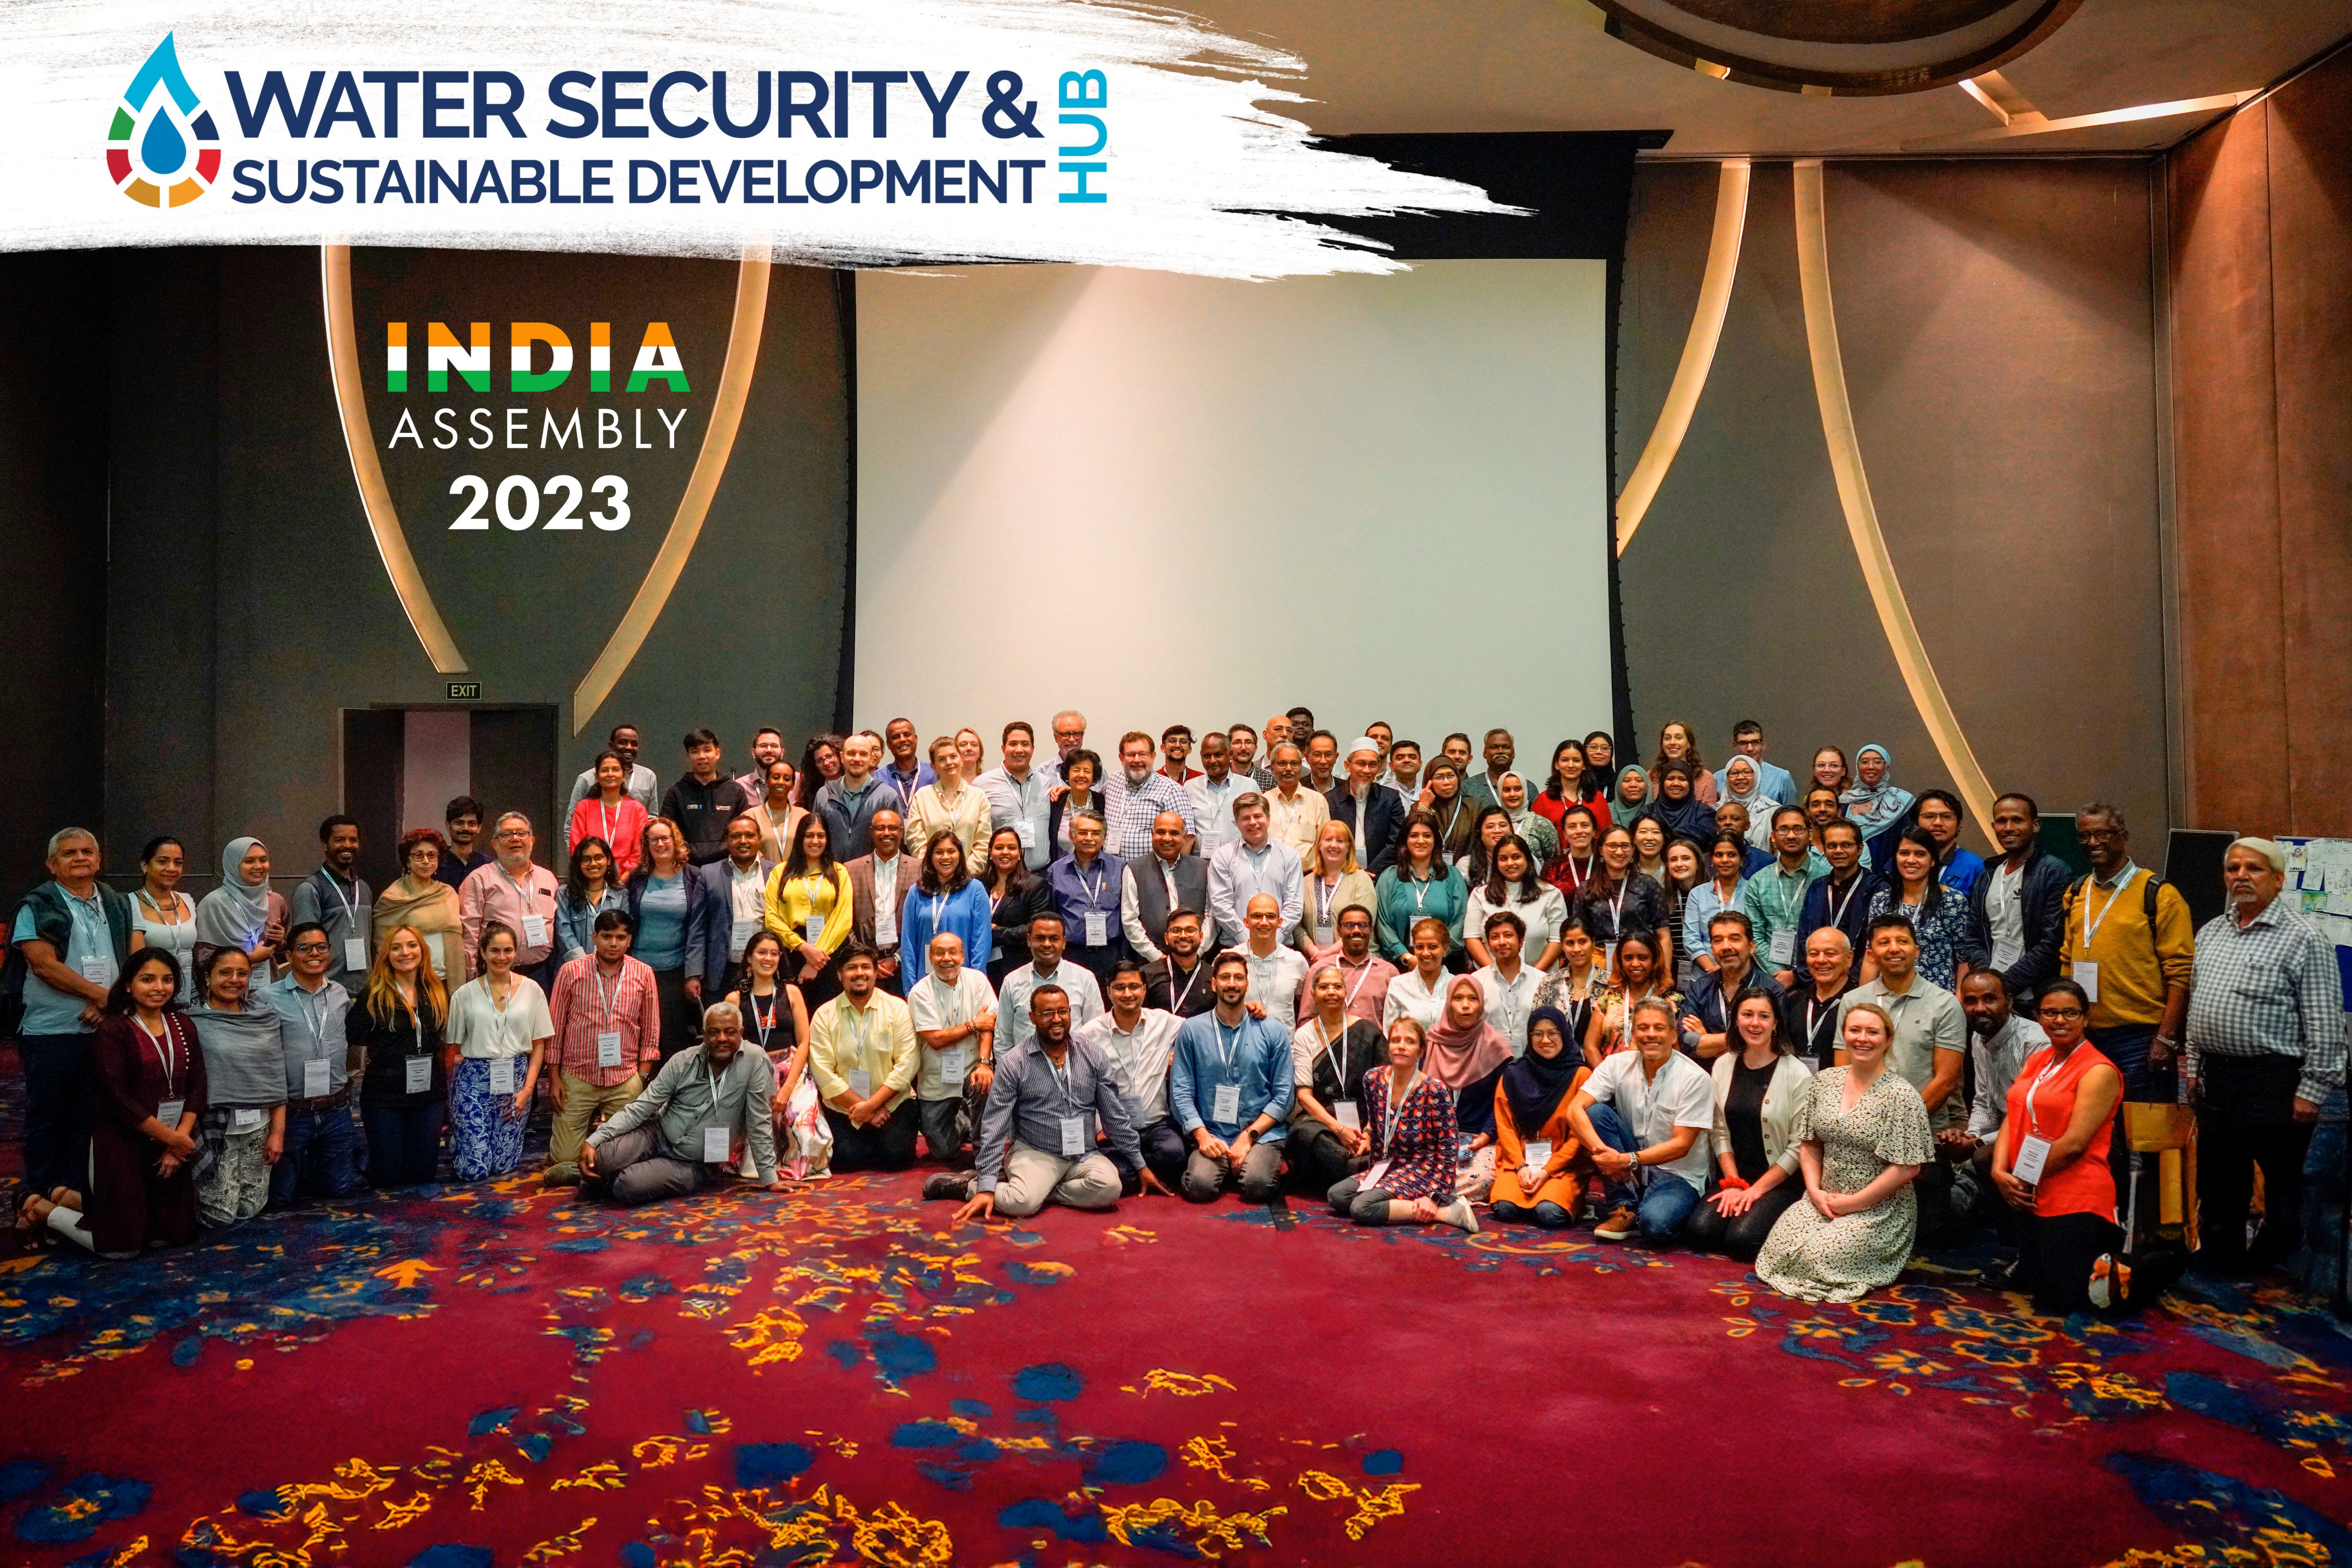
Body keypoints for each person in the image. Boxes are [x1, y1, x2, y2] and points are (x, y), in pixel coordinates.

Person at [2184, 837, 2347, 1275]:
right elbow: (2199, 1006)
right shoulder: (2211, 932)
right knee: (2219, 1179)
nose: (2241, 876)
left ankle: (2277, 1263)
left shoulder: (2305, 938)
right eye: (2233, 868)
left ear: (2278, 879)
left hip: (2273, 1079)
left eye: (2253, 868)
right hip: (2218, 1078)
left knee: (2282, 1184)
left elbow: (2325, 1023)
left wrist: (2312, 1091)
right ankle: (2222, 1260)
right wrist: (2194, 1067)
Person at [25, 951, 203, 1256]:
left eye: (167, 980)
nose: (159, 987)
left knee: (174, 1235)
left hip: (172, 1140)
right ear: (129, 986)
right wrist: (174, 1140)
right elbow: (118, 1100)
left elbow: (198, 1086)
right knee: (121, 1248)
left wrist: (179, 1142)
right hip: (122, 1140)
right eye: (147, 979)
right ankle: (42, 1209)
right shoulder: (114, 1029)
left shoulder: (184, 1025)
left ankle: (68, 1196)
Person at [1755, 1000, 1934, 1300]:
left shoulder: (1902, 1096)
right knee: (1776, 1250)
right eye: (1855, 1030)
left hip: (1877, 1209)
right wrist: (1814, 1191)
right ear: (1844, 1034)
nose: (1862, 1039)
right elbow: (1809, 1143)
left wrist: (1853, 1203)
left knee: (1816, 1257)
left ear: (1888, 1039)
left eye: (1872, 1032)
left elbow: (1907, 1168)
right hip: (1824, 1198)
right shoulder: (1825, 1081)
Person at [11, 827, 140, 1215]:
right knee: (48, 1118)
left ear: (99, 860)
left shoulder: (118, 902)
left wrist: (109, 1003)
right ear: (52, 865)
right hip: (52, 1031)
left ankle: (72, 1199)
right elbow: (43, 965)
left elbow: (134, 962)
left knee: (90, 1119)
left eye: (87, 851)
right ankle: (38, 1200)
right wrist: (103, 996)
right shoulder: (36, 905)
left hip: (105, 1028)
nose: (80, 858)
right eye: (70, 853)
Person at [1989, 979, 2137, 1311]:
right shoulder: (2038, 1060)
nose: (2060, 1020)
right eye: (2050, 1013)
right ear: (2037, 1016)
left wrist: (2023, 1178)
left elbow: (2074, 1144)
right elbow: (2013, 1113)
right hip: (2031, 1187)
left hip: (2075, 1191)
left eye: (2070, 1013)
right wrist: (1999, 1171)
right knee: (2040, 1291)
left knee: (2068, 1303)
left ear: (2086, 1018)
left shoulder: (2099, 1071)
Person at [941, 983, 1142, 1222]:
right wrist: (985, 1186)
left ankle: (1040, 1191)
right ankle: (970, 1186)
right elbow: (994, 1126)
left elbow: (1114, 1116)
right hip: (1036, 1152)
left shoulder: (1092, 1054)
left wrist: (1140, 1164)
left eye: (1063, 1011)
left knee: (1110, 1188)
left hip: (1083, 1154)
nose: (1056, 1019)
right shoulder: (1015, 1062)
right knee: (1023, 1203)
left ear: (1070, 1013)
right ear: (1033, 1018)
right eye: (1047, 1013)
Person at [2057, 802, 2196, 1120]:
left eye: (2103, 834)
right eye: (2085, 836)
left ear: (2123, 836)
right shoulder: (2076, 892)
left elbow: (2181, 973)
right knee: (2096, 1130)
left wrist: (2166, 1038)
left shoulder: (2158, 894)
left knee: (2146, 1134)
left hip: (2140, 1037)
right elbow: (2067, 960)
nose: (2093, 843)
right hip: (2087, 1034)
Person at [581, 1001, 788, 1203]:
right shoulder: (683, 1061)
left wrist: (770, 1179)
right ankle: (610, 1175)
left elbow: (759, 1122)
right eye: (714, 1032)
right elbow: (642, 1106)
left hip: (693, 1163)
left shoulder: (755, 1061)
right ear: (704, 1034)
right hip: (657, 1134)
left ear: (741, 1033)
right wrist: (595, 1139)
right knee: (600, 1159)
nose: (722, 1038)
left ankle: (610, 1180)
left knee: (628, 1184)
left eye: (730, 1032)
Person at [1842, 913, 1967, 1241]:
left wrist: (1896, 1129)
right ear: (1872, 954)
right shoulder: (1854, 1001)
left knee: (1931, 1237)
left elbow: (1946, 1081)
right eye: (1884, 943)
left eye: (1903, 941)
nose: (1894, 949)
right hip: (1862, 1133)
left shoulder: (1945, 1004)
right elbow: (1842, 1073)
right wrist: (1866, 1127)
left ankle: (1965, 1190)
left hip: (1923, 1136)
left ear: (1917, 950)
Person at [1567, 996, 1714, 1244]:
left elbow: (1681, 1145)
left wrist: (1625, 1160)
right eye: (1643, 1028)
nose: (1651, 1035)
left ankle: (1658, 1209)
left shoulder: (1695, 1079)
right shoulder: (1617, 1064)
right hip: (1630, 1166)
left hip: (1677, 1174)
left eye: (1659, 1028)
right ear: (1633, 1034)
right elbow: (1574, 1110)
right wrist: (1604, 1155)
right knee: (1596, 1113)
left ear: (1673, 1034)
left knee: (1655, 1227)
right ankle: (1623, 1206)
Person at [1684, 989, 1816, 1259]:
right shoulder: (1723, 1064)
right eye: (1747, 1015)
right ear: (1736, 1020)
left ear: (1775, 1023)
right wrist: (1733, 1184)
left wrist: (1755, 1191)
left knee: (1741, 1241)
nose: (1755, 1023)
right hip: (1737, 1175)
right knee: (1700, 1233)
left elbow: (1797, 1147)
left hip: (1779, 1180)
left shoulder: (1797, 1073)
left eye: (1764, 1016)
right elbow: (1719, 1132)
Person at [1326, 1017, 1480, 1232]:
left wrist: (1434, 1196)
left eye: (1410, 1041)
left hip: (1422, 1170)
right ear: (1388, 1046)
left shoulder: (1435, 1090)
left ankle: (1446, 1212)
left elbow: (1448, 1149)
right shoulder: (1373, 1080)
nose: (1401, 1046)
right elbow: (1377, 1127)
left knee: (1361, 1208)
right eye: (1396, 1040)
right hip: (1386, 1167)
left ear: (1420, 1051)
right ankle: (1402, 1203)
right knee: (1337, 1195)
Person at [542, 910, 661, 1184]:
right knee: (563, 1159)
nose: (613, 943)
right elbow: (555, 1029)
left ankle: (600, 1162)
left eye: (620, 937)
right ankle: (601, 1165)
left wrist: (640, 1078)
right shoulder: (571, 971)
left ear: (629, 940)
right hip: (578, 1076)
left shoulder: (644, 974)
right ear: (594, 937)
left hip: (624, 1078)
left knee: (633, 1149)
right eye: (607, 936)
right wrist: (555, 1079)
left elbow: (651, 1031)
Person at [1171, 951, 1294, 1204]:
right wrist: (1202, 1137)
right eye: (1225, 977)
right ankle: (1228, 1166)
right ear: (1213, 983)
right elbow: (1181, 1091)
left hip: (1260, 1134)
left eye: (1239, 978)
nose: (1232, 983)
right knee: (1198, 1187)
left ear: (1247, 984)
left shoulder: (1272, 1030)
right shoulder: (1192, 1030)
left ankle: (1245, 1165)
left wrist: (1248, 1137)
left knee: (1258, 1185)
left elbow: (1284, 1096)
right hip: (1212, 1132)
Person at [443, 920, 552, 1182]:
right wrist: (448, 1095)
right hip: (474, 1081)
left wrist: (528, 1090)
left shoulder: (533, 990)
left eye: (508, 950)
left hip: (515, 1081)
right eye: (494, 950)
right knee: (475, 1170)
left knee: (503, 1165)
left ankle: (472, 1142)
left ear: (515, 952)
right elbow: (451, 1048)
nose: (501, 957)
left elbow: (539, 1044)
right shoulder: (464, 995)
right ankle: (463, 1140)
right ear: (482, 952)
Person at [187, 945, 287, 1229]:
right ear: (207, 977)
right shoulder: (193, 1022)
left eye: (242, 973)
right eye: (225, 972)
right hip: (218, 1129)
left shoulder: (264, 1018)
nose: (234, 980)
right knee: (220, 1215)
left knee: (251, 1207)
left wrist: (278, 1133)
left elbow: (277, 1077)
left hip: (260, 1126)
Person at [264, 921, 359, 1204]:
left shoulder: (340, 994)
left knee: (339, 1190)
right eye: (304, 948)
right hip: (292, 1112)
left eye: (321, 947)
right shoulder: (267, 998)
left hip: (335, 1108)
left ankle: (316, 1164)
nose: (314, 953)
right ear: (289, 955)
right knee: (280, 1197)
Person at [349, 926, 450, 1187]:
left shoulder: (436, 990)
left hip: (428, 1093)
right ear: (387, 955)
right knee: (388, 1178)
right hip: (385, 1095)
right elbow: (352, 1037)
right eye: (396, 948)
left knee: (422, 1175)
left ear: (422, 951)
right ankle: (366, 1158)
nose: (405, 952)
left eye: (412, 945)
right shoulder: (373, 994)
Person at [1074, 959, 1186, 1195]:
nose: (1128, 994)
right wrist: (1097, 1127)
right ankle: (1143, 1171)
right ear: (1108, 991)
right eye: (1120, 987)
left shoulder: (1164, 1022)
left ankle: (1138, 1169)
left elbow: (1204, 1026)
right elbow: (1080, 1088)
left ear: (1144, 990)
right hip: (1114, 1128)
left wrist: (1247, 1008)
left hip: (1156, 1125)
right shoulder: (1089, 1034)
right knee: (1121, 1173)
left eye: (1134, 987)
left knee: (1174, 1155)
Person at [808, 944, 921, 1170]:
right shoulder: (824, 1014)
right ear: (840, 975)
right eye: (852, 968)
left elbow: (907, 1064)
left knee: (896, 1158)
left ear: (876, 972)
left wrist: (872, 1105)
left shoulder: (897, 1008)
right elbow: (823, 1073)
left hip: (892, 1104)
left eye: (865, 967)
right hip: (845, 1107)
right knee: (845, 1160)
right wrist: (865, 1110)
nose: (859, 973)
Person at [1950, 969, 2050, 1217]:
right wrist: (1972, 1136)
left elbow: (2034, 1116)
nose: (1980, 1008)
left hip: (2042, 1132)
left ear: (2009, 1001)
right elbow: (1985, 1101)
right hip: (2007, 1131)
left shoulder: (2035, 1042)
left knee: (1984, 1156)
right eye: (1970, 1001)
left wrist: (1978, 1143)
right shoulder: (1979, 1037)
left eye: (1989, 999)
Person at [1487, 1007, 1592, 1228]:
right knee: (1504, 1208)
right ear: (1529, 1036)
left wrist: (1547, 1171)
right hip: (1519, 1163)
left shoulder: (1581, 1076)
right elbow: (1505, 1127)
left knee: (1549, 1213)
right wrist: (1520, 1166)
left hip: (1562, 1167)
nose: (1545, 1040)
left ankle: (1558, 1200)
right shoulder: (1513, 1074)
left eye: (1553, 1033)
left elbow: (1579, 1138)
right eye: (1538, 1034)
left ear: (1564, 1034)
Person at [734, 928, 825, 1179]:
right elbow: (730, 1050)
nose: (768, 958)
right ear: (749, 958)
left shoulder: (791, 993)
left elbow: (804, 1042)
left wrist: (786, 1090)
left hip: (790, 1069)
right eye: (762, 952)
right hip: (751, 1073)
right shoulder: (734, 999)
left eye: (774, 954)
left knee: (804, 1132)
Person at [1963, 792, 2071, 1003]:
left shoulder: (2054, 872)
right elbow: (1973, 938)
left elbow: (2053, 943)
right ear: (1994, 826)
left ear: (2035, 825)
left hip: (2037, 996)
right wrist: (1989, 981)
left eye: (2017, 820)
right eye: (2002, 821)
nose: (2008, 827)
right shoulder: (1987, 875)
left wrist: (2004, 985)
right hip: (1992, 997)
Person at [1287, 963, 1384, 1191]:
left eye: (1337, 987)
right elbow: (1304, 1096)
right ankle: (1360, 1171)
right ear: (1313, 993)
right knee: (1303, 1134)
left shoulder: (1368, 1031)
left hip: (1367, 1119)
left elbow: (1385, 1090)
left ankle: (1343, 1172)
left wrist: (1369, 1131)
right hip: (1325, 1121)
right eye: (1324, 987)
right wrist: (1339, 1130)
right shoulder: (1304, 1035)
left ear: (1345, 992)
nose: (1331, 992)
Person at [907, 930, 998, 1166]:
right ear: (930, 958)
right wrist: (973, 1025)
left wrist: (984, 1063)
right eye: (939, 953)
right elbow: (936, 1040)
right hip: (936, 1076)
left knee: (985, 1084)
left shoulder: (977, 980)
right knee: (943, 1151)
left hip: (971, 1067)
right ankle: (963, 1121)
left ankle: (984, 1152)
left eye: (952, 952)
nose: (946, 958)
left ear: (962, 957)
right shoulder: (919, 992)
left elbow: (988, 1026)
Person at [624, 817, 709, 1058]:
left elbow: (698, 928)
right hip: (638, 969)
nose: (660, 844)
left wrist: (693, 973)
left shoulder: (694, 877)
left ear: (675, 841)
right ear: (647, 845)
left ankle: (673, 1081)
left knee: (672, 1037)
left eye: (665, 838)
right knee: (639, 1033)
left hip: (675, 970)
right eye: (653, 840)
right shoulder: (638, 877)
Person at [1863, 828, 1981, 991]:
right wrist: (1864, 1000)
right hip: (1889, 994)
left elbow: (1963, 960)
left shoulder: (1952, 900)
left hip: (1936, 997)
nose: (1911, 860)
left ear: (1932, 860)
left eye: (1920, 854)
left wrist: (1959, 1000)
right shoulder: (1881, 900)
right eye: (1904, 853)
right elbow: (1871, 956)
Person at [458, 812, 561, 984]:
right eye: (506, 834)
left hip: (541, 973)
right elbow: (469, 932)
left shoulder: (548, 878)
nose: (515, 839)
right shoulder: (479, 879)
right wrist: (473, 978)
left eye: (522, 833)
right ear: (495, 844)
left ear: (532, 840)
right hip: (494, 973)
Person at [766, 814, 856, 1009]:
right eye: (809, 835)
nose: (815, 841)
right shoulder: (780, 872)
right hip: (792, 951)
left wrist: (816, 960)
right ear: (800, 838)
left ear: (828, 839)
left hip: (830, 952)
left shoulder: (839, 872)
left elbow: (843, 919)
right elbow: (771, 917)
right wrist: (803, 948)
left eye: (820, 836)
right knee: (793, 1011)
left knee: (829, 1013)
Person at [1422, 973, 1516, 1141]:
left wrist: (1487, 1134)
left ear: (1481, 1004)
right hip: (1432, 1136)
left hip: (1480, 1138)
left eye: (1473, 998)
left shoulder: (1496, 1045)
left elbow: (1506, 1099)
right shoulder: (1432, 1042)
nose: (1465, 1005)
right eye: (1458, 998)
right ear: (1448, 1003)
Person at [995, 913, 1107, 1055]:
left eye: (1054, 939)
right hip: (1024, 1067)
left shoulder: (1085, 979)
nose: (1047, 944)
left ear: (1064, 942)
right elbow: (1003, 1041)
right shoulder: (1012, 981)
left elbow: (1097, 1036)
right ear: (1029, 940)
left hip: (1075, 1066)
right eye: (1040, 938)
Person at [1680, 911, 1785, 1059]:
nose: (1726, 947)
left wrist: (1706, 1040)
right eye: (1718, 940)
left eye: (1734, 939)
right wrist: (1745, 1038)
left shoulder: (1772, 989)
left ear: (1751, 947)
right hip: (1707, 1074)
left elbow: (1770, 1044)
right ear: (1712, 949)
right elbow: (1686, 1042)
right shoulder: (1699, 988)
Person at [1209, 793, 1303, 952]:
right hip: (1236, 948)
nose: (1253, 822)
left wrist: (1273, 939)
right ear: (1237, 823)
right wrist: (1248, 941)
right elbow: (1221, 905)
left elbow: (1294, 905)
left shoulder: (1290, 856)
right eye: (1246, 818)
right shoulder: (1222, 857)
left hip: (1281, 948)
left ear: (1268, 819)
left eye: (1258, 816)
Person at [699, 813, 777, 1000]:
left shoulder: (775, 872)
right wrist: (694, 973)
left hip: (764, 968)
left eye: (750, 835)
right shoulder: (709, 873)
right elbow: (698, 928)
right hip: (722, 970)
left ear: (759, 838)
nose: (743, 841)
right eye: (736, 836)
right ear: (727, 840)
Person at [1741, 807, 1822, 987]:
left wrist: (1798, 974)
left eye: (1798, 829)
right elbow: (1755, 935)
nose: (1791, 835)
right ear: (1773, 836)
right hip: (1770, 978)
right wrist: (1778, 973)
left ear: (1810, 835)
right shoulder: (1758, 881)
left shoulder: (1825, 878)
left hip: (1817, 974)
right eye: (1784, 829)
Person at [1045, 807, 1128, 982]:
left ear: (1104, 837)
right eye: (1083, 832)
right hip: (1072, 954)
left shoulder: (1120, 868)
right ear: (1071, 836)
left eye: (1095, 833)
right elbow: (1053, 913)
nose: (1089, 838)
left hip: (1111, 954)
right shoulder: (1056, 871)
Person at [904, 828, 993, 988]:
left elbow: (981, 942)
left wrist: (975, 983)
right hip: (924, 982)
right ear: (930, 856)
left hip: (964, 983)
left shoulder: (975, 890)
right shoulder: (916, 892)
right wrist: (911, 988)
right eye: (939, 852)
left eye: (951, 851)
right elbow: (908, 942)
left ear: (960, 855)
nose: (946, 857)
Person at [1373, 812, 1466, 965]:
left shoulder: (1452, 876)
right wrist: (1406, 957)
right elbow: (1383, 924)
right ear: (1405, 840)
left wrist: (1436, 953)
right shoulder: (1389, 877)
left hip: (1445, 963)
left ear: (1435, 841)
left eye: (1427, 836)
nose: (1421, 841)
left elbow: (1460, 921)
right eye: (1414, 835)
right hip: (1399, 965)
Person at [1575, 826, 1668, 977]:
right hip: (1599, 962)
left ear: (1633, 850)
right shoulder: (1586, 889)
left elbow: (1663, 935)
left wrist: (1664, 973)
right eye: (1612, 846)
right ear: (1601, 850)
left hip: (1641, 962)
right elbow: (1579, 935)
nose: (1619, 852)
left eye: (1625, 846)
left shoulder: (1648, 884)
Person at [845, 808, 918, 995]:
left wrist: (898, 958)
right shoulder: (851, 870)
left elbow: (922, 921)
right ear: (872, 832)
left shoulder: (919, 869)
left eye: (892, 828)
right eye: (880, 828)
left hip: (905, 966)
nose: (887, 833)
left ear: (901, 831)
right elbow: (845, 921)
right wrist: (865, 959)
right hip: (864, 968)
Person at [1469, 833, 1567, 973]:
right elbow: (1472, 938)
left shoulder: (1551, 894)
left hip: (1543, 977)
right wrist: (1495, 973)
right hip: (1491, 977)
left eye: (1516, 857)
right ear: (1496, 863)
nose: (1510, 863)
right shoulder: (1480, 895)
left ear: (1528, 859)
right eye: (1503, 858)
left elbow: (1557, 940)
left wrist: (1534, 976)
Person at [377, 829, 465, 984]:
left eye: (432, 855)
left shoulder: (448, 893)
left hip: (446, 981)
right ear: (407, 861)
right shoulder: (392, 898)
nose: (426, 861)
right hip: (409, 982)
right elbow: (382, 946)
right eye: (418, 855)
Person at [1794, 818, 1882, 970]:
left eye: (1846, 845)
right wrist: (1808, 976)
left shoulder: (1877, 890)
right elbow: (1804, 939)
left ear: (1860, 849)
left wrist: (1851, 980)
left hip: (1858, 979)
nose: (1839, 851)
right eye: (1832, 846)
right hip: (1817, 974)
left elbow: (1877, 945)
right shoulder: (1817, 888)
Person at [194, 835, 288, 975]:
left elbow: (287, 954)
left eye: (263, 860)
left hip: (269, 984)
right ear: (233, 865)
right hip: (228, 984)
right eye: (249, 861)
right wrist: (250, 959)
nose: (258, 866)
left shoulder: (275, 901)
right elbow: (202, 960)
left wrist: (280, 943)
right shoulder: (213, 904)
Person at [663, 729, 757, 866]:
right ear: (688, 756)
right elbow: (668, 832)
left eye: (707, 750)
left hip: (727, 867)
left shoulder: (735, 791)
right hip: (687, 867)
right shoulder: (676, 792)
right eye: (695, 752)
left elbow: (744, 830)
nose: (702, 756)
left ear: (717, 753)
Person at [906, 735, 993, 873]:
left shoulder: (978, 797)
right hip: (932, 877)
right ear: (934, 766)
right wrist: (934, 872)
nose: (949, 762)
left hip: (970, 878)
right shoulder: (922, 797)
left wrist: (966, 873)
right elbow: (915, 842)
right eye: (942, 759)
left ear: (961, 760)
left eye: (953, 757)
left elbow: (983, 842)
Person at [1300, 904, 1397, 1027]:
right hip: (1328, 1039)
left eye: (1363, 925)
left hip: (1374, 1040)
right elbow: (1306, 1019)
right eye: (1349, 926)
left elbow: (1396, 1022)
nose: (1356, 931)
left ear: (1371, 930)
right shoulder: (1319, 969)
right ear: (1339, 930)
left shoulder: (1389, 973)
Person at [1128, 810, 1209, 958]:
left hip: (1198, 957)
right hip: (1150, 960)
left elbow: (1211, 915)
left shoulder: (1203, 868)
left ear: (1184, 837)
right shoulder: (1134, 869)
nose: (1167, 838)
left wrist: (1197, 951)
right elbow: (1130, 920)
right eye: (1161, 832)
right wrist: (1156, 957)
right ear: (1152, 834)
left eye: (1174, 833)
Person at [813, 731, 903, 861]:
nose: (857, 759)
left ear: (871, 758)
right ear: (842, 757)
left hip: (871, 872)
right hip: (831, 871)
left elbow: (896, 843)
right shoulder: (824, 794)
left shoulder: (887, 796)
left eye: (863, 754)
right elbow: (815, 838)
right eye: (851, 753)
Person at [978, 721, 1055, 872]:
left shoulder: (1045, 783)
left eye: (1025, 744)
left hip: (1042, 876)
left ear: (1033, 749)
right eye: (1013, 744)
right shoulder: (982, 785)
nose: (1019, 750)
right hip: (1001, 875)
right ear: (1003, 748)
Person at [980, 826, 1052, 985]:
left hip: (1017, 966)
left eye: (1011, 848)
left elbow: (1036, 929)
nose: (1005, 852)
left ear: (1020, 853)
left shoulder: (1035, 886)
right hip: (981, 966)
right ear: (990, 852)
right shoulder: (978, 884)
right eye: (999, 848)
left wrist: (997, 932)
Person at [1531, 915, 1607, 1066]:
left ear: (1593, 943)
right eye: (1570, 943)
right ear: (1562, 946)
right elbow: (1537, 1028)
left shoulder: (1610, 985)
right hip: (1557, 1068)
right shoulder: (1549, 983)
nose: (1576, 949)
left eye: (1583, 942)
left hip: (1602, 1067)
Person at [1594, 930, 1680, 1062]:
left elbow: (1677, 1051)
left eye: (1643, 958)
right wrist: (1604, 1073)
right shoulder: (1608, 998)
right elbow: (1591, 1046)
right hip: (1612, 1072)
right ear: (1620, 961)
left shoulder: (1672, 1002)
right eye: (1628, 958)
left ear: (1655, 960)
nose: (1635, 964)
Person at [1102, 730, 1189, 860]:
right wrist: (1072, 791)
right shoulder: (1114, 780)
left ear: (1153, 757)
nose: (1137, 760)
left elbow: (1186, 838)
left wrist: (1171, 870)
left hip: (1150, 870)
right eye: (1131, 755)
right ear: (1121, 758)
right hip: (1110, 867)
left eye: (1143, 754)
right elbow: (1091, 798)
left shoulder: (1172, 790)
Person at [130, 837, 197, 1002]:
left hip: (190, 991)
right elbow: (133, 962)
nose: (172, 868)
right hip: (153, 992)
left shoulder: (187, 900)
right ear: (145, 865)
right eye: (163, 862)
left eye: (178, 863)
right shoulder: (129, 903)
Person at [1326, 736, 1405, 875]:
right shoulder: (1331, 799)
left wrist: (1370, 873)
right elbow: (1327, 842)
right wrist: (1350, 871)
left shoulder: (1390, 799)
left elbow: (1396, 842)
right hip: (1341, 873)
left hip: (1380, 875)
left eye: (1373, 765)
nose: (1367, 770)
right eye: (1361, 764)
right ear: (1347, 766)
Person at [570, 750, 652, 880]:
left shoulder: (637, 810)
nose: (610, 774)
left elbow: (640, 852)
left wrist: (622, 879)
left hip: (628, 880)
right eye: (604, 770)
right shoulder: (584, 808)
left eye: (615, 769)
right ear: (597, 776)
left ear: (624, 776)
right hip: (590, 876)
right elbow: (577, 847)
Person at [1784, 927, 1858, 1068]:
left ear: (1849, 958)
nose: (1821, 960)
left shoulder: (1859, 1004)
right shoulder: (1794, 1000)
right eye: (1814, 954)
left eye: (1830, 954)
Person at [1471, 912, 1540, 1059]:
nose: (1502, 942)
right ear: (1488, 944)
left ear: (1521, 941)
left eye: (1508, 935)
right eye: (1495, 937)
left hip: (1534, 1064)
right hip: (1488, 1064)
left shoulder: (1542, 981)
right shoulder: (1476, 982)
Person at [1681, 832, 1749, 974]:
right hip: (1705, 974)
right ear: (1711, 859)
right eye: (1719, 855)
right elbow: (1691, 938)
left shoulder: (1753, 891)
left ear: (1742, 859)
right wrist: (1712, 970)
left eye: (1732, 855)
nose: (1725, 860)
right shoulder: (1698, 894)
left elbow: (1758, 935)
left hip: (1744, 972)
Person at [1236, 893, 1309, 1022]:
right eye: (1257, 916)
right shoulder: (1230, 959)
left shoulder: (1297, 961)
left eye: (1270, 916)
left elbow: (1307, 1008)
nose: (1264, 922)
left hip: (1285, 1035)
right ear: (1246, 922)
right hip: (1241, 1035)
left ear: (1280, 922)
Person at [555, 835, 627, 965]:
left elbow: (625, 932)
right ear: (579, 864)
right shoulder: (565, 894)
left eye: (599, 857)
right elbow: (563, 931)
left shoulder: (621, 895)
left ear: (608, 860)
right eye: (586, 859)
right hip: (575, 968)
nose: (593, 863)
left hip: (611, 966)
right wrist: (585, 964)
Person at [564, 723, 660, 818]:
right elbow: (572, 820)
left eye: (634, 744)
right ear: (611, 745)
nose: (629, 747)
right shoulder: (586, 779)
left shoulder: (648, 776)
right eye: (622, 743)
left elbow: (652, 817)